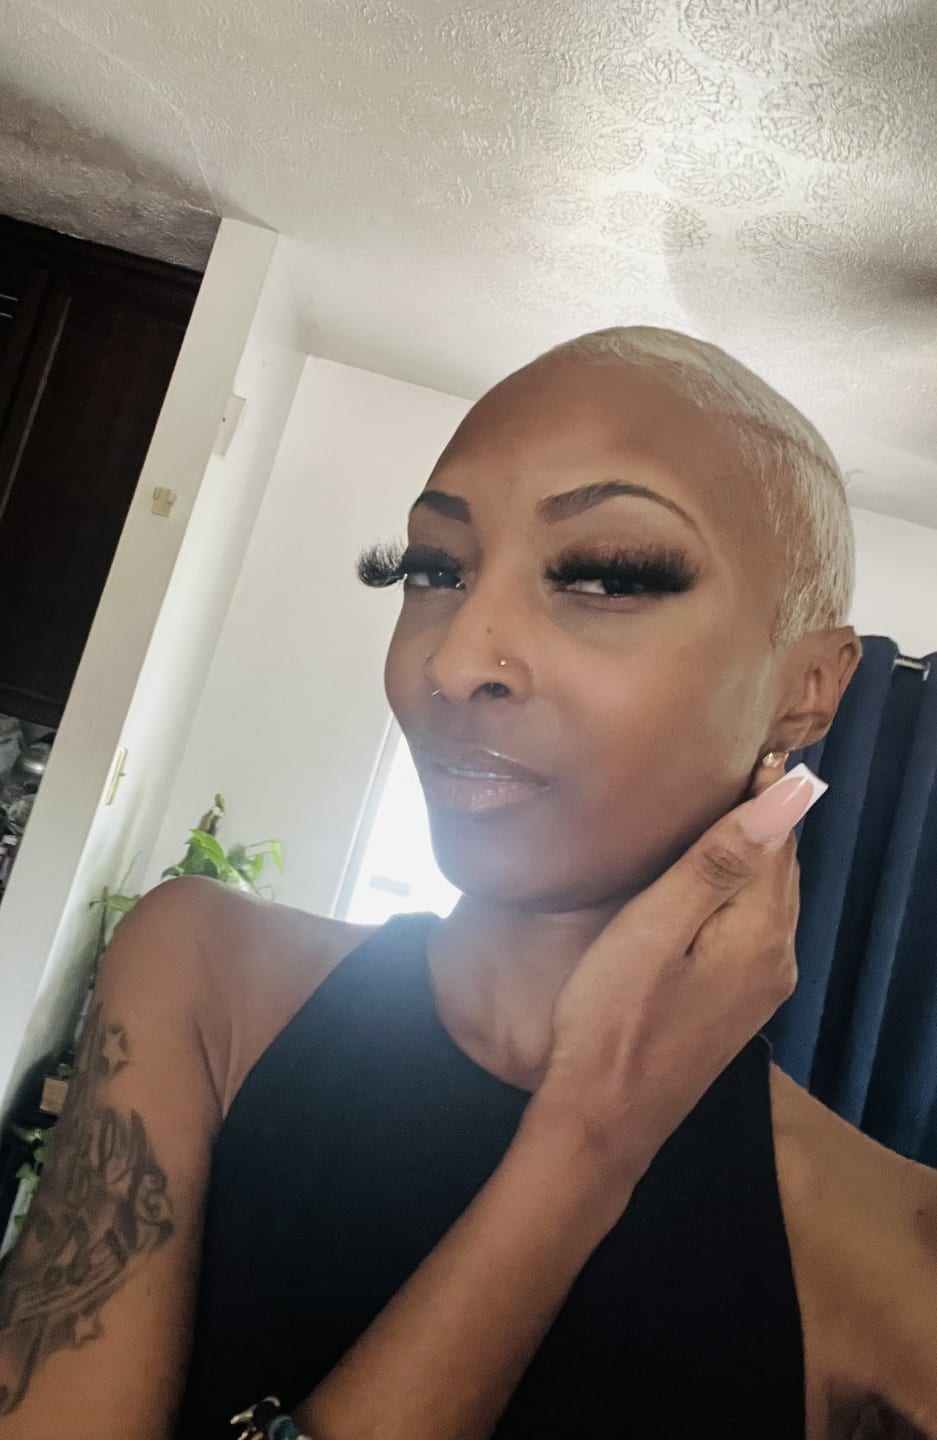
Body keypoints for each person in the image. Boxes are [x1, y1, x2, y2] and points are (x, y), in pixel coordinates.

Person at [0, 327, 934, 1440]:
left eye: (606, 576)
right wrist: (584, 1144)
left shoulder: (898, 1259)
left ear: (807, 689)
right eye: (432, 571)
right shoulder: (204, 974)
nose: (449, 662)